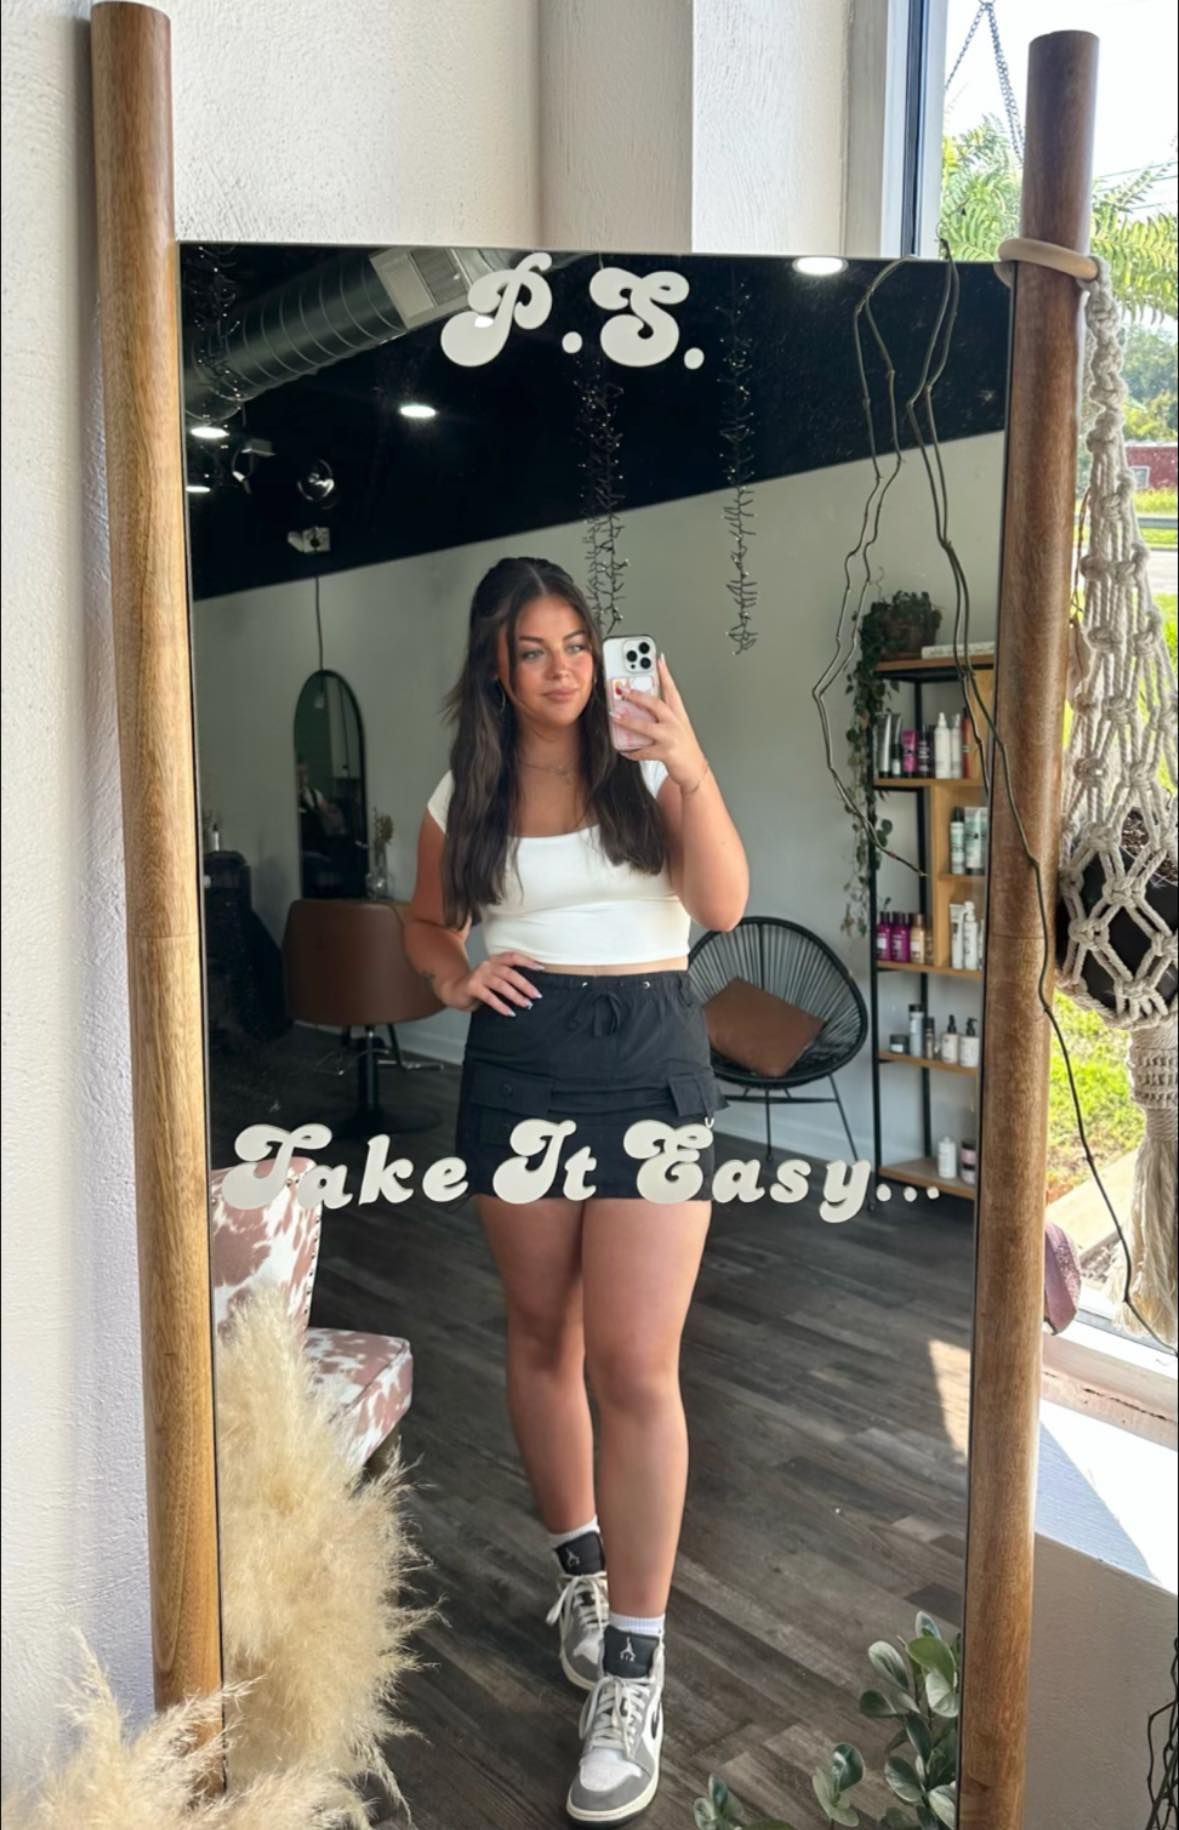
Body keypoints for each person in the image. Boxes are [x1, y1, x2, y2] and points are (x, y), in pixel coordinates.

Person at [404, 556, 748, 1824]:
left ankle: (636, 1670)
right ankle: (585, 1580)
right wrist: (451, 979)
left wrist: (689, 756)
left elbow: (721, 903)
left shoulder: (648, 761)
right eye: (534, 651)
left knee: (637, 1367)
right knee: (544, 1333)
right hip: (521, 1067)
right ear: (497, 668)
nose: (563, 670)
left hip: (654, 1058)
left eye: (577, 644)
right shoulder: (468, 793)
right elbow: (427, 923)